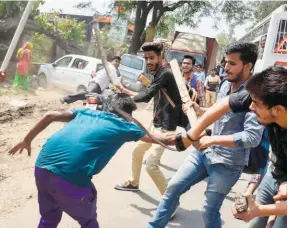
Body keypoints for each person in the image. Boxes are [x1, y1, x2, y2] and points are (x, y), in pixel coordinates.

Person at [8, 93, 176, 228]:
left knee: (49, 219)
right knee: (88, 222)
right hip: (70, 177)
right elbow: (163, 139)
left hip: (42, 168)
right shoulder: (124, 126)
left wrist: (27, 140)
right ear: (128, 115)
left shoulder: (87, 112)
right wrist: (193, 135)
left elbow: (50, 115)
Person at [147, 42, 264, 228]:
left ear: (248, 66)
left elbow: (252, 137)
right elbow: (217, 114)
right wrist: (200, 110)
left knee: (209, 210)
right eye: (226, 62)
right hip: (204, 154)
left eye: (232, 64)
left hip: (228, 164)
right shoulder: (226, 85)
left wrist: (212, 139)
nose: (226, 67)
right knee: (172, 189)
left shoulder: (255, 96)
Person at [181, 65, 287, 227]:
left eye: (256, 104)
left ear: (278, 110)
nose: (251, 108)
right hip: (275, 174)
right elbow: (224, 105)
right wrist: (191, 135)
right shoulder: (266, 98)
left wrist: (258, 210)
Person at [114, 42, 182, 195]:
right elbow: (148, 94)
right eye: (146, 58)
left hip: (165, 126)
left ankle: (170, 202)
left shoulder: (165, 74)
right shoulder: (157, 75)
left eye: (152, 58)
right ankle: (134, 182)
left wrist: (121, 101)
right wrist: (124, 92)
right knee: (138, 152)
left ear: (159, 58)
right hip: (156, 123)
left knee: (151, 165)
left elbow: (145, 97)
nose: (149, 61)